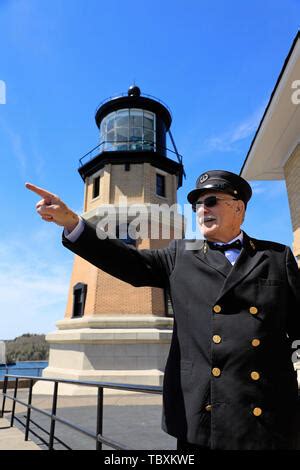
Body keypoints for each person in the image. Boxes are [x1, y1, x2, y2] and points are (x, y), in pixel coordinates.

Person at [25, 170, 300, 450]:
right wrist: (72, 222)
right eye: (197, 204)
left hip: (269, 413)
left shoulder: (276, 256)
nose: (203, 209)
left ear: (238, 207)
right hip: (205, 416)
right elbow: (127, 260)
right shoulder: (182, 252)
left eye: (212, 201)